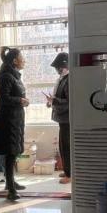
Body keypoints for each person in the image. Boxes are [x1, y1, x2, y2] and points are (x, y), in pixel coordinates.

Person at [0, 47, 29, 200]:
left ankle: (10, 183)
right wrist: (20, 100)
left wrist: (22, 101)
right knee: (11, 152)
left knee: (13, 152)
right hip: (8, 120)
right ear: (15, 60)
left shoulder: (13, 75)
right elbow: (4, 98)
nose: (24, 60)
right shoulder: (7, 76)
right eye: (22, 57)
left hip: (15, 119)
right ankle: (11, 190)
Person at [46, 52, 71, 184]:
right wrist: (51, 102)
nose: (57, 70)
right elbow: (59, 97)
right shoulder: (62, 79)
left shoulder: (69, 80)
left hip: (67, 119)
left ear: (64, 66)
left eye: (58, 67)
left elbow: (70, 102)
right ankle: (67, 171)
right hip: (63, 119)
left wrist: (54, 101)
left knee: (67, 147)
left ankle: (70, 174)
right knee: (63, 146)